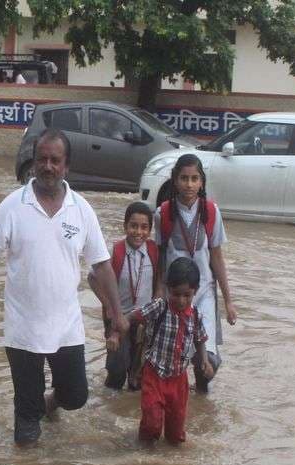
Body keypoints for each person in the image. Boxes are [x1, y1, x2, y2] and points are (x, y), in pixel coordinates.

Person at [0, 129, 127, 446]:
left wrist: (117, 313)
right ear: (33, 163)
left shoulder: (81, 209)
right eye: (42, 159)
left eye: (55, 160)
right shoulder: (12, 206)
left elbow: (101, 264)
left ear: (67, 166)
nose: (48, 166)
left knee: (75, 396)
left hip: (66, 327)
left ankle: (49, 404)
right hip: (23, 330)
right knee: (27, 432)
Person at [155, 154, 237, 393]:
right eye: (183, 178)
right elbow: (160, 257)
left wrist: (229, 301)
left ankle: (201, 392)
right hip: (175, 297)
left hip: (204, 294)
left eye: (194, 179)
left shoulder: (211, 212)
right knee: (175, 354)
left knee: (208, 360)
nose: (189, 184)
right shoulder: (163, 213)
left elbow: (217, 258)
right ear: (175, 180)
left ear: (202, 182)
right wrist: (159, 292)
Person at [108, 257, 211, 445]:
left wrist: (204, 360)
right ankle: (144, 452)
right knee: (151, 422)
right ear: (167, 289)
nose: (181, 300)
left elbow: (200, 339)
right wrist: (115, 334)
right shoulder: (159, 307)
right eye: (176, 294)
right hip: (154, 375)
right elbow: (130, 317)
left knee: (176, 432)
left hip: (179, 379)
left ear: (195, 291)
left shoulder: (196, 315)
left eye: (187, 295)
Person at [88, 201, 160, 390]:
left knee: (138, 376)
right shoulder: (116, 251)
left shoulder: (154, 251)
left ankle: (128, 413)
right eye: (133, 226)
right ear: (125, 226)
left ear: (150, 230)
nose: (138, 232)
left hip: (144, 320)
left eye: (144, 227)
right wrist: (109, 306)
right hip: (119, 320)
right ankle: (108, 409)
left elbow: (161, 283)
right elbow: (93, 278)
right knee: (117, 369)